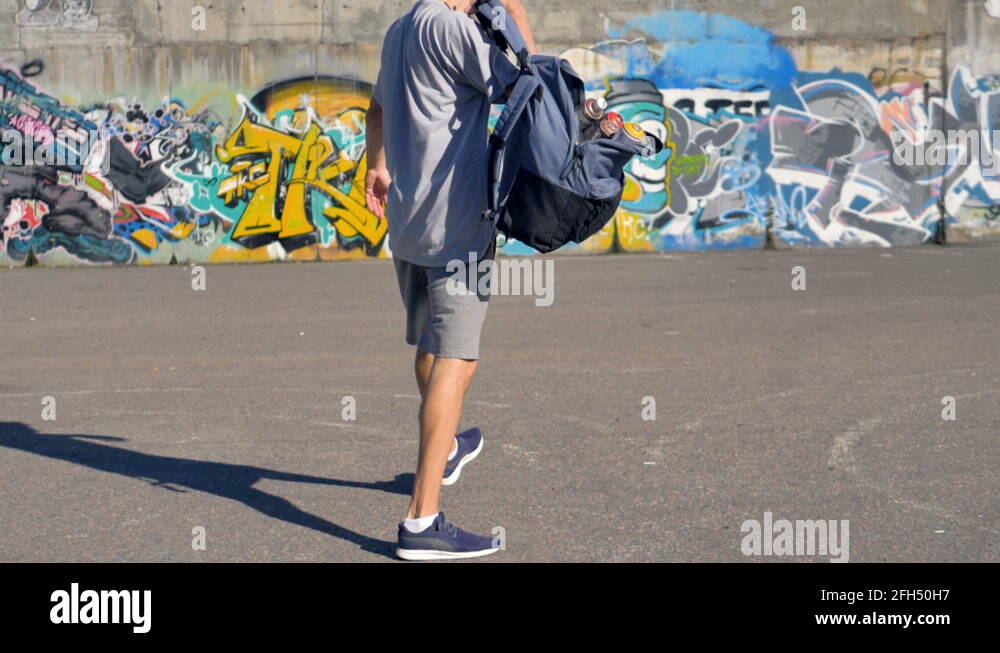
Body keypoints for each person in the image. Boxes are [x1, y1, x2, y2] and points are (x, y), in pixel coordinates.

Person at [364, 0, 537, 560]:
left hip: (409, 224)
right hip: (457, 225)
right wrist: (514, 10)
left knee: (433, 344)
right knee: (458, 359)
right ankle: (422, 520)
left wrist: (378, 165)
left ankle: (448, 447)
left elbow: (375, 111)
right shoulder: (454, 28)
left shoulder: (400, 30)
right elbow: (527, 81)